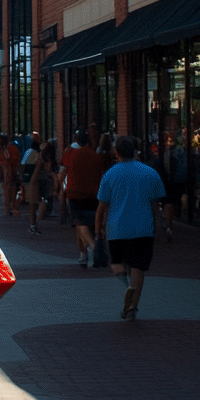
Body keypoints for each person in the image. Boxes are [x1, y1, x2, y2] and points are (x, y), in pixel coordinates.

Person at [95, 136, 165, 320]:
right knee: (138, 267)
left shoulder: (109, 175)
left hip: (117, 229)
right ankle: (132, 307)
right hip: (143, 228)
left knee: (117, 262)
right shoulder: (150, 173)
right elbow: (155, 204)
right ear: (134, 151)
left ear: (117, 153)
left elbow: (101, 207)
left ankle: (126, 286)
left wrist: (98, 229)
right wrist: (157, 225)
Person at [61, 129, 108, 267]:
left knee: (79, 223)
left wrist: (59, 187)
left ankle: (91, 249)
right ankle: (84, 253)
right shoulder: (96, 156)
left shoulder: (70, 154)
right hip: (93, 194)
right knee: (88, 223)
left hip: (75, 193)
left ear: (77, 140)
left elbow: (63, 171)